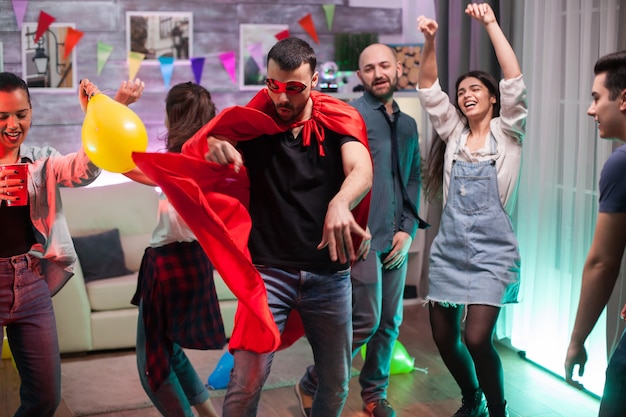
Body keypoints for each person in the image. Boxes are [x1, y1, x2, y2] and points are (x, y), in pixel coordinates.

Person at [170, 37, 372, 417]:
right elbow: (204, 147)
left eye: (293, 88)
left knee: (336, 380)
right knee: (246, 380)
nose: (281, 98)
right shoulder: (253, 123)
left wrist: (341, 201)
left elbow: (360, 167)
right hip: (268, 275)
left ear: (314, 82)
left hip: (328, 276)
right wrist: (215, 143)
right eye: (273, 86)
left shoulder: (337, 120)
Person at [295, 43, 427, 417]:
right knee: (366, 321)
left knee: (390, 323)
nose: (378, 73)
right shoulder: (348, 116)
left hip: (396, 238)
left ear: (398, 68)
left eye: (385, 65)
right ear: (360, 76)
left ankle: (374, 394)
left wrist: (409, 228)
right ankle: (313, 381)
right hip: (361, 240)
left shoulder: (408, 123)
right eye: (369, 68)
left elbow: (413, 178)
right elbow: (332, 176)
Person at [0, 73, 143, 417]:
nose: (13, 124)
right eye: (2, 116)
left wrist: (108, 109)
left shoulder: (42, 159)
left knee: (46, 397)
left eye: (21, 114)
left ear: (32, 111)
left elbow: (83, 169)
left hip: (31, 281)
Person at [416, 4, 527, 417]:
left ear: (494, 98)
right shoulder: (454, 133)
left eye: (475, 89)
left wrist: (491, 24)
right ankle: (472, 398)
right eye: (461, 91)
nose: (466, 94)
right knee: (445, 339)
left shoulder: (509, 132)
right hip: (450, 250)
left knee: (477, 338)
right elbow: (429, 89)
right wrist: (430, 41)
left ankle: (498, 408)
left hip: (493, 252)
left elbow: (514, 77)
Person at [127, 82, 225, 417]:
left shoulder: (176, 164)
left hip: (169, 263)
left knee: (152, 365)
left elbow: (125, 164)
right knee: (172, 350)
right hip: (196, 261)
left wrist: (108, 112)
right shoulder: (212, 161)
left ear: (173, 117)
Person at [564, 50, 626, 417]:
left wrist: (577, 340)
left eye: (596, 97)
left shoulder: (620, 163)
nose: (591, 110)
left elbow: (602, 263)